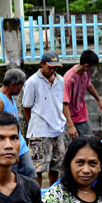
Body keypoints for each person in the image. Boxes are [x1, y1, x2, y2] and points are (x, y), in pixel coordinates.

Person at [22, 51, 67, 185]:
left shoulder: (60, 80)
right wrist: (33, 123)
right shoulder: (32, 82)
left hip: (58, 129)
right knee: (38, 168)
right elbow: (26, 106)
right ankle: (38, 196)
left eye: (55, 67)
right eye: (49, 67)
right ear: (42, 64)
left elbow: (62, 103)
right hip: (40, 131)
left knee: (56, 167)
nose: (52, 70)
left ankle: (51, 194)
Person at [0, 68, 35, 178]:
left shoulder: (11, 98)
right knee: (11, 175)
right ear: (13, 85)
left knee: (30, 171)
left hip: (18, 141)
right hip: (7, 144)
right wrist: (12, 149)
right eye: (20, 86)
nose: (21, 89)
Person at [62, 50, 102, 139]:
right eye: (93, 66)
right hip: (69, 119)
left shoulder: (85, 72)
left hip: (81, 115)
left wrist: (98, 99)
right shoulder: (68, 80)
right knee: (74, 148)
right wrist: (71, 126)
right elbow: (64, 104)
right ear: (86, 66)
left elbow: (88, 84)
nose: (93, 69)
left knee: (90, 142)